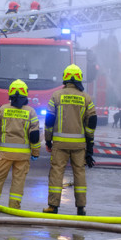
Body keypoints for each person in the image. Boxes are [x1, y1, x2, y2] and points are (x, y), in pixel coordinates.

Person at [43, 64, 98, 216]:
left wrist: (48, 141)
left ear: (65, 78)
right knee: (79, 173)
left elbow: (49, 121)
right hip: (79, 145)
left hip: (59, 144)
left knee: (56, 173)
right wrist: (90, 147)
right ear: (79, 78)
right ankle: (81, 208)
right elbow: (92, 121)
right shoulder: (86, 98)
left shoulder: (56, 96)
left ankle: (53, 206)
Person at [0, 79, 41, 212]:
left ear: (10, 94)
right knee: (18, 181)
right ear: (26, 95)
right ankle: (14, 208)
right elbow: (35, 135)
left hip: (5, 154)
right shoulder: (31, 112)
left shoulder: (3, 109)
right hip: (23, 155)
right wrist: (35, 153)